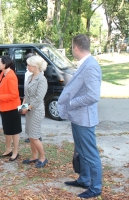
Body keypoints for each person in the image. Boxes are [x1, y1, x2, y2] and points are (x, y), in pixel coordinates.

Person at [57, 34, 102, 199]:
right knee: (81, 151)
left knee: (90, 154)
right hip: (78, 117)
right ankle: (84, 179)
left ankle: (95, 187)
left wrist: (72, 103)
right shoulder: (85, 64)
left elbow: (93, 95)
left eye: (71, 47)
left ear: (76, 48)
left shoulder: (90, 66)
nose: (71, 50)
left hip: (85, 118)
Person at [21, 55, 48, 168]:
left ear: (35, 66)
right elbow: (26, 95)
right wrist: (22, 106)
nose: (27, 66)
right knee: (30, 135)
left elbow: (38, 98)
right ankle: (34, 156)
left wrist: (28, 107)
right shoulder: (30, 77)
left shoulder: (42, 79)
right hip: (29, 108)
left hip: (36, 110)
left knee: (34, 136)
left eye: (29, 65)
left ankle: (43, 158)